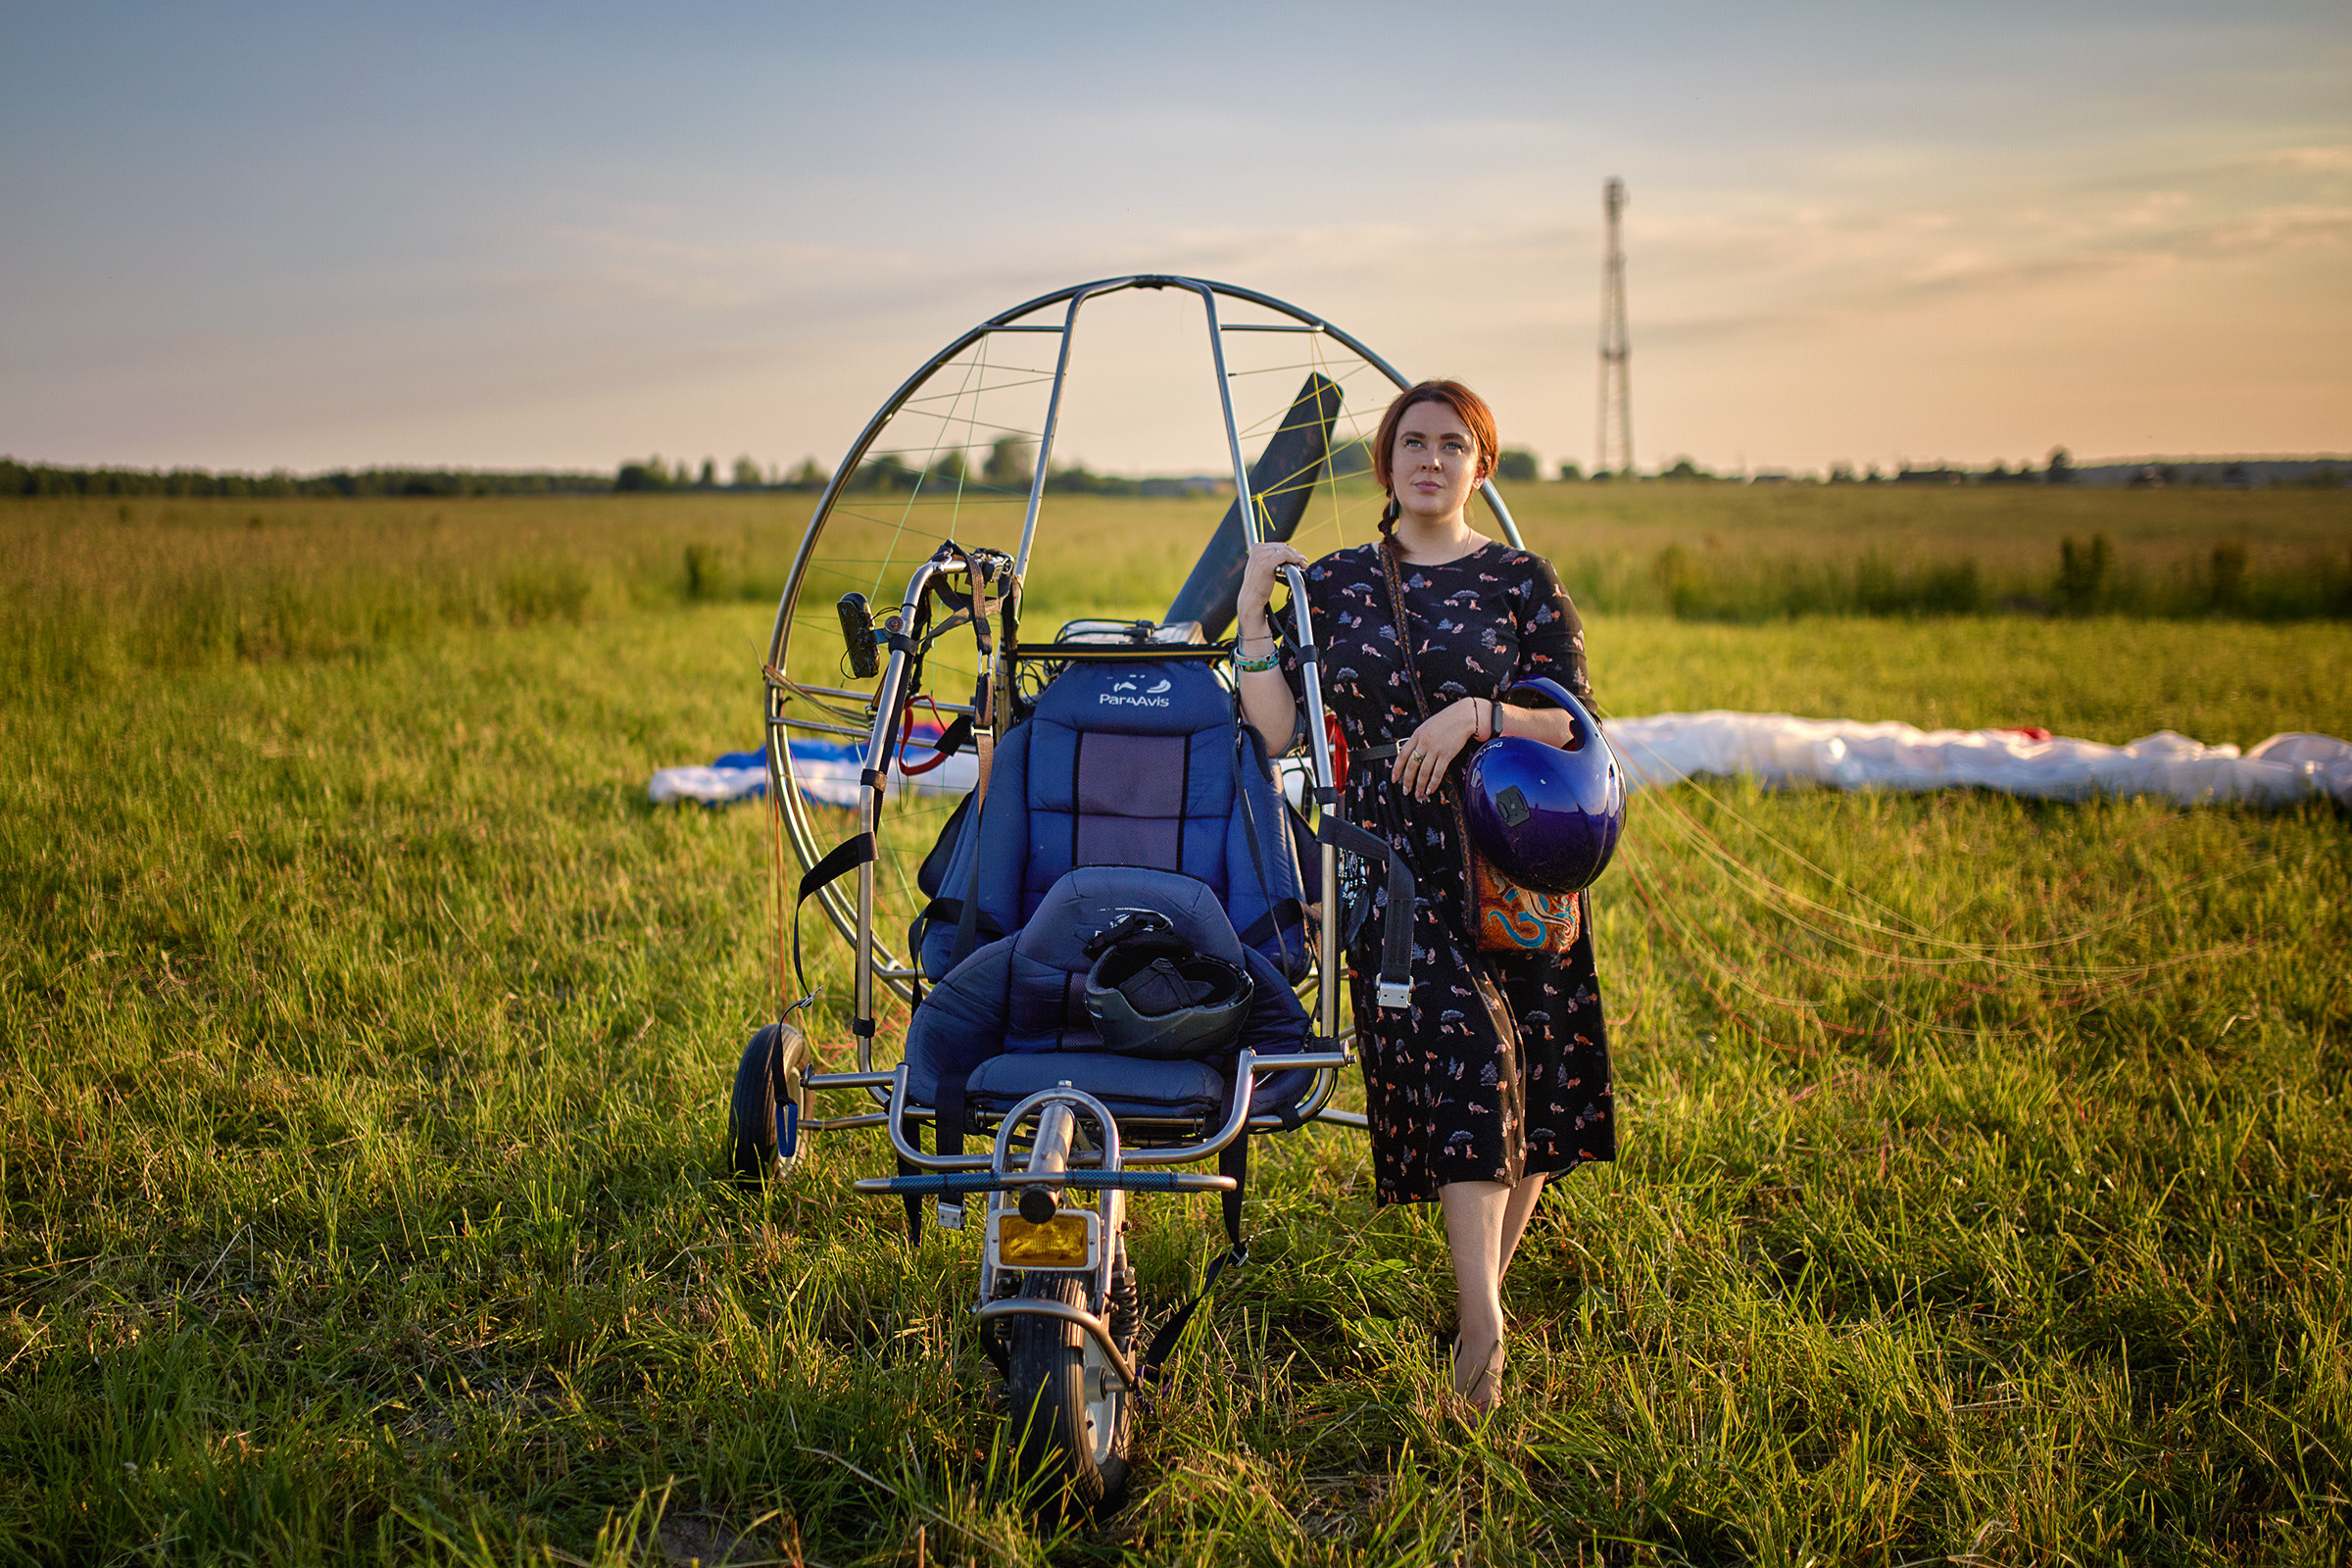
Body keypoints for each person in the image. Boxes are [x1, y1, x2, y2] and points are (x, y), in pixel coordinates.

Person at [1233, 380, 1615, 1414]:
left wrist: (1477, 713)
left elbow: (1573, 725)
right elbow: (1273, 732)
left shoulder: (1522, 581)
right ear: (1387, 463)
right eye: (1413, 442)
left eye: (1454, 444)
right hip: (1394, 862)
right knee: (1471, 1064)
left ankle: (1478, 1297)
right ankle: (1484, 1333)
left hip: (1516, 852)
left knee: (1534, 1085)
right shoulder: (1346, 581)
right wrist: (1252, 616)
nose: (1432, 459)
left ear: (1481, 465)